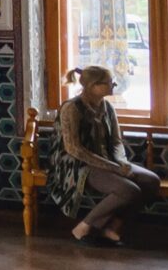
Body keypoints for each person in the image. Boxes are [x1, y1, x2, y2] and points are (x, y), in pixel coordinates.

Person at [48, 65, 159, 244]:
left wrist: (122, 162)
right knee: (128, 190)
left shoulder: (107, 107)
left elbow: (116, 141)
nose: (113, 85)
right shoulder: (71, 108)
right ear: (92, 86)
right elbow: (74, 149)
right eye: (108, 82)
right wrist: (114, 168)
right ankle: (83, 227)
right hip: (77, 165)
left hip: (106, 160)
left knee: (151, 181)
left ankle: (112, 227)